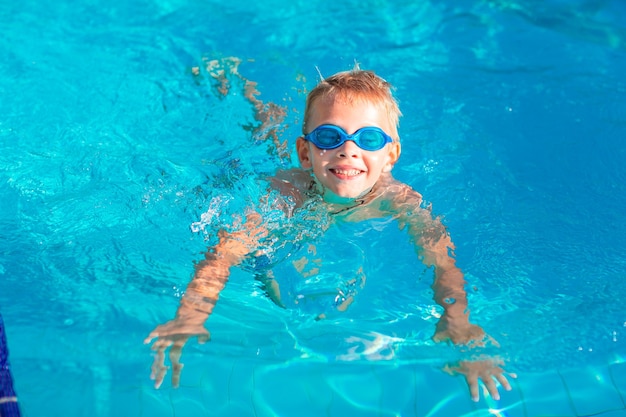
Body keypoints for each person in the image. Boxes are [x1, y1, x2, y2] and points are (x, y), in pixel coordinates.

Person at [145, 66, 516, 402]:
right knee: (263, 132)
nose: (347, 151)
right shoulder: (286, 193)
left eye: (368, 139)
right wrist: (191, 315)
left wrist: (457, 319)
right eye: (329, 136)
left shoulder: (398, 199)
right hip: (269, 169)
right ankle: (234, 82)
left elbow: (442, 261)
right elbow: (223, 252)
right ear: (306, 155)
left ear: (391, 155)